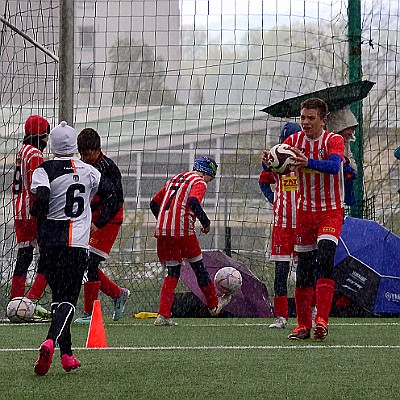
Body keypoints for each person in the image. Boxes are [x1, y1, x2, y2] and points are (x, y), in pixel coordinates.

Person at [271, 97, 345, 340]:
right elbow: (280, 164)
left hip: (330, 211)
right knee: (303, 270)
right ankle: (302, 325)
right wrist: (271, 161)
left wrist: (308, 162)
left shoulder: (334, 140)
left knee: (324, 258)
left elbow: (334, 167)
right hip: (304, 212)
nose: (305, 122)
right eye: (302, 117)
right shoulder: (293, 141)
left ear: (324, 120)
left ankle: (321, 321)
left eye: (311, 118)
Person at [31, 121, 101, 375]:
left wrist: (37, 213)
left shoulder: (43, 170)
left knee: (57, 298)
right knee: (69, 300)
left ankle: (67, 355)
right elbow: (102, 192)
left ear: (52, 144)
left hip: (49, 242)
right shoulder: (91, 172)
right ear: (74, 145)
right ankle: (50, 340)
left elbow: (41, 198)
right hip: (76, 244)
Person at [150, 156, 231, 326]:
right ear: (207, 172)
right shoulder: (199, 181)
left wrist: (164, 220)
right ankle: (213, 306)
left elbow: (153, 203)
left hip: (163, 230)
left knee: (172, 272)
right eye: (211, 177)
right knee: (198, 267)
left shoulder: (176, 178)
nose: (209, 181)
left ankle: (162, 315)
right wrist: (205, 222)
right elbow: (193, 201)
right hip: (182, 230)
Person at [74, 128, 130, 324]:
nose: (84, 158)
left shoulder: (108, 168)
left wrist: (99, 223)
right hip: (91, 219)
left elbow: (116, 200)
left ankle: (90, 313)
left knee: (89, 262)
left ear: (97, 150)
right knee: (81, 261)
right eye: (81, 154)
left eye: (87, 154)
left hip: (109, 220)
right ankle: (118, 294)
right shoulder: (82, 165)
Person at [259, 122, 301, 329]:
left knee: (306, 270)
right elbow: (263, 181)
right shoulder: (275, 161)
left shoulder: (305, 160)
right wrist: (274, 199)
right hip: (282, 223)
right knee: (281, 271)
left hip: (304, 221)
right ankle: (281, 316)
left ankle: (309, 311)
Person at [10, 115, 51, 319]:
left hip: (19, 210)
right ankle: (31, 300)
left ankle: (15, 302)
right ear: (42, 136)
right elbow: (37, 186)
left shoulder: (22, 151)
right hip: (31, 211)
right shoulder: (35, 154)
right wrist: (41, 210)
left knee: (24, 256)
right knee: (47, 256)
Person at [326, 108, 358, 206]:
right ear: (339, 127)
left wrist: (346, 162)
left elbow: (354, 169)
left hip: (341, 198)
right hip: (329, 197)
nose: (351, 132)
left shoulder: (345, 144)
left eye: (353, 129)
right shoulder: (325, 143)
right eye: (348, 128)